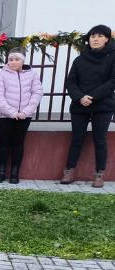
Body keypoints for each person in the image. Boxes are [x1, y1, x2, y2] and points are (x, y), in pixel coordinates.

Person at [61, 24, 115, 188]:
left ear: (106, 39)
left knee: (100, 140)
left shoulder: (112, 57)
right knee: (77, 139)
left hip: (103, 106)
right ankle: (69, 171)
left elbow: (112, 81)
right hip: (80, 105)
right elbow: (70, 82)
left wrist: (92, 96)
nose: (95, 39)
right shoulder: (80, 59)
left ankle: (99, 174)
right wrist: (80, 97)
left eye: (99, 36)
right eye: (92, 36)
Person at [0, 48, 43, 184]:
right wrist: (12, 113)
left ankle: (14, 173)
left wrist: (25, 112)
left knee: (18, 144)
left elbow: (36, 93)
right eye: (11, 59)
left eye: (17, 59)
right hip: (4, 116)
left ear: (23, 60)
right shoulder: (1, 75)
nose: (13, 62)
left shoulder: (32, 74)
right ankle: (1, 172)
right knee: (3, 144)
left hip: (24, 117)